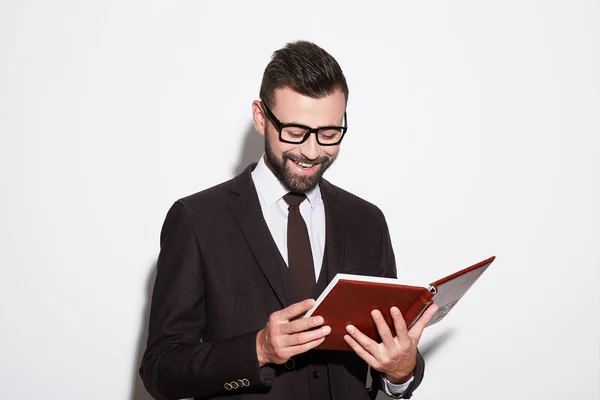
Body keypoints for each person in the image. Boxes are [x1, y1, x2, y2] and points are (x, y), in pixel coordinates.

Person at [139, 40, 438, 400]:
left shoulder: (367, 222)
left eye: (329, 134)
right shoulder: (196, 220)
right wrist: (258, 349)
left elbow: (391, 347)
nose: (312, 152)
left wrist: (401, 370)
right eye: (295, 133)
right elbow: (160, 370)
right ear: (260, 117)